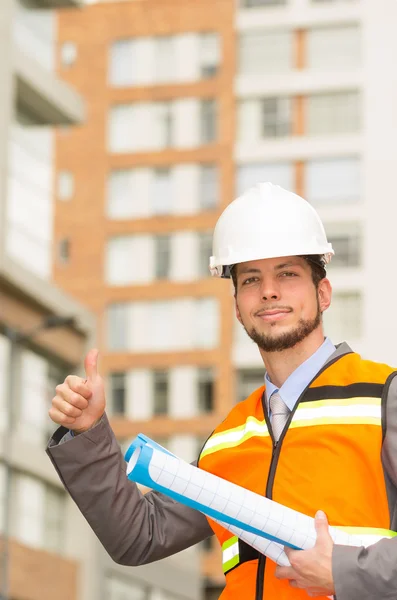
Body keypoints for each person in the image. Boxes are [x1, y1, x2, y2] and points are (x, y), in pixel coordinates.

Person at [47, 182, 397, 600]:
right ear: (237, 305)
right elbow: (138, 536)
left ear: (323, 293)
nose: (269, 290)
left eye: (287, 274)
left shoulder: (383, 397)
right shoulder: (229, 437)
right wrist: (88, 432)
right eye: (251, 279)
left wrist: (343, 572)